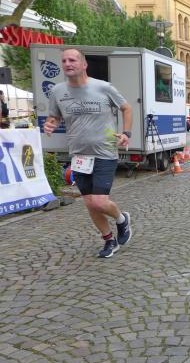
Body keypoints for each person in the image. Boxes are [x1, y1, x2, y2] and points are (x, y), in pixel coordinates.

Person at [43, 48, 133, 258]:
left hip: (104, 152)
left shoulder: (103, 87)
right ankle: (109, 240)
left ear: (84, 64)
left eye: (72, 60)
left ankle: (122, 220)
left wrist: (126, 133)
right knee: (90, 204)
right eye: (64, 60)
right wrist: (50, 124)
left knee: (100, 202)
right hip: (79, 155)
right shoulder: (57, 91)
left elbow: (127, 108)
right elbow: (54, 116)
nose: (67, 63)